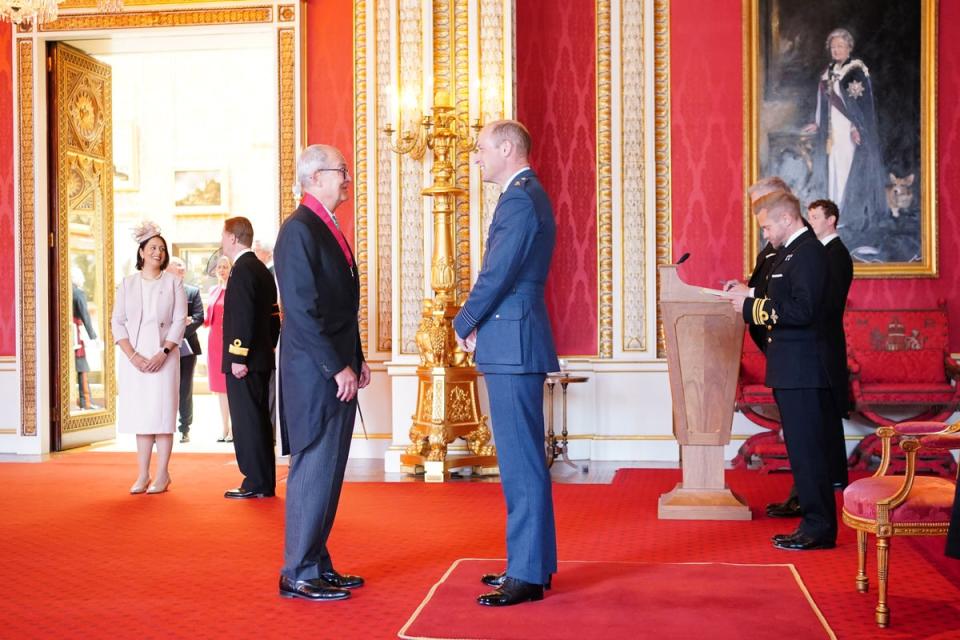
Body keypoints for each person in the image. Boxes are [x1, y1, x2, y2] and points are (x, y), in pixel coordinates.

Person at [453, 119, 560, 607]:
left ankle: (528, 573)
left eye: (480, 149)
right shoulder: (525, 193)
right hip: (513, 336)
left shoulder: (519, 197)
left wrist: (465, 319)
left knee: (520, 462)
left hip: (511, 338)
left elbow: (499, 270)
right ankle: (531, 564)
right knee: (521, 461)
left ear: (505, 148)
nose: (476, 157)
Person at [274, 144, 370, 602]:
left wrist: (357, 357)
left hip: (334, 368)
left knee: (329, 470)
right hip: (316, 373)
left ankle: (317, 562)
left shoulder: (325, 227)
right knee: (313, 467)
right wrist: (337, 366)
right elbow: (302, 311)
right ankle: (297, 571)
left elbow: (340, 310)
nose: (346, 178)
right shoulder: (298, 230)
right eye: (341, 171)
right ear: (315, 178)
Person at [723, 192, 836, 550]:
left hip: (804, 369)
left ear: (787, 219)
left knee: (809, 452)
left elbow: (802, 312)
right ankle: (811, 523)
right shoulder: (791, 252)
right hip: (790, 367)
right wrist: (750, 297)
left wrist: (750, 305)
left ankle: (819, 527)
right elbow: (781, 299)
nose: (765, 234)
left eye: (767, 226)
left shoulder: (809, 255)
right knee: (801, 452)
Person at [765, 199, 853, 519]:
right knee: (807, 440)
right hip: (803, 353)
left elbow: (819, 309)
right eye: (810, 215)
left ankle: (816, 510)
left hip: (817, 351)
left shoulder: (830, 255)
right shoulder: (809, 251)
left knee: (816, 438)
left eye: (817, 216)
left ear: (832, 220)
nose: (812, 220)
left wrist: (758, 308)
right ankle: (804, 500)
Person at [110, 221, 187, 495]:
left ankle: (163, 474)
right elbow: (117, 322)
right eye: (153, 247)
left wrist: (163, 352)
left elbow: (180, 321)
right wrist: (132, 355)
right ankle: (142, 474)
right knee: (142, 414)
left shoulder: (174, 282)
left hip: (164, 355)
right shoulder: (127, 284)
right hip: (135, 358)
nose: (158, 252)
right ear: (141, 252)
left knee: (163, 414)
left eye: (162, 249)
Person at [803, 28, 886, 235]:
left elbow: (863, 106)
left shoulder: (856, 71)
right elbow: (824, 100)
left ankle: (849, 214)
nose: (836, 50)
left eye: (840, 46)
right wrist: (817, 122)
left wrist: (857, 127)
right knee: (834, 169)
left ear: (849, 47)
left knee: (846, 169)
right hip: (833, 131)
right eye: (833, 47)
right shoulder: (829, 71)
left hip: (849, 130)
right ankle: (834, 215)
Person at [220, 217, 281, 500]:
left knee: (248, 421)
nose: (221, 240)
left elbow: (242, 317)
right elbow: (273, 318)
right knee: (257, 419)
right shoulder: (259, 268)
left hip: (244, 362)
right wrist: (267, 347)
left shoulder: (243, 269)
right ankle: (262, 480)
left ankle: (256, 481)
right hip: (260, 359)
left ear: (232, 238)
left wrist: (238, 356)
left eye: (223, 235)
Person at [167, 257, 205, 444]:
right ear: (168, 269)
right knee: (164, 388)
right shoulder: (160, 290)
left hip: (187, 348)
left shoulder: (192, 291)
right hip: (163, 348)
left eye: (183, 268)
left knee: (185, 388)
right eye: (177, 268)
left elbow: (198, 318)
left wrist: (179, 332)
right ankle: (164, 427)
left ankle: (185, 428)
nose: (181, 271)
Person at [205, 255, 233, 442]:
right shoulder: (213, 290)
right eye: (219, 267)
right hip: (213, 343)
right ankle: (224, 428)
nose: (222, 270)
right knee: (220, 390)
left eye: (225, 266)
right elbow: (208, 319)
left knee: (230, 388)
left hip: (228, 342)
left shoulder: (235, 290)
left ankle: (234, 429)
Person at [72, 267, 98, 410]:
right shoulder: (78, 293)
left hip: (68, 334)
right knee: (82, 367)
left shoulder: (66, 291)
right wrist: (93, 336)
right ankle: (86, 402)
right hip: (75, 334)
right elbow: (85, 315)